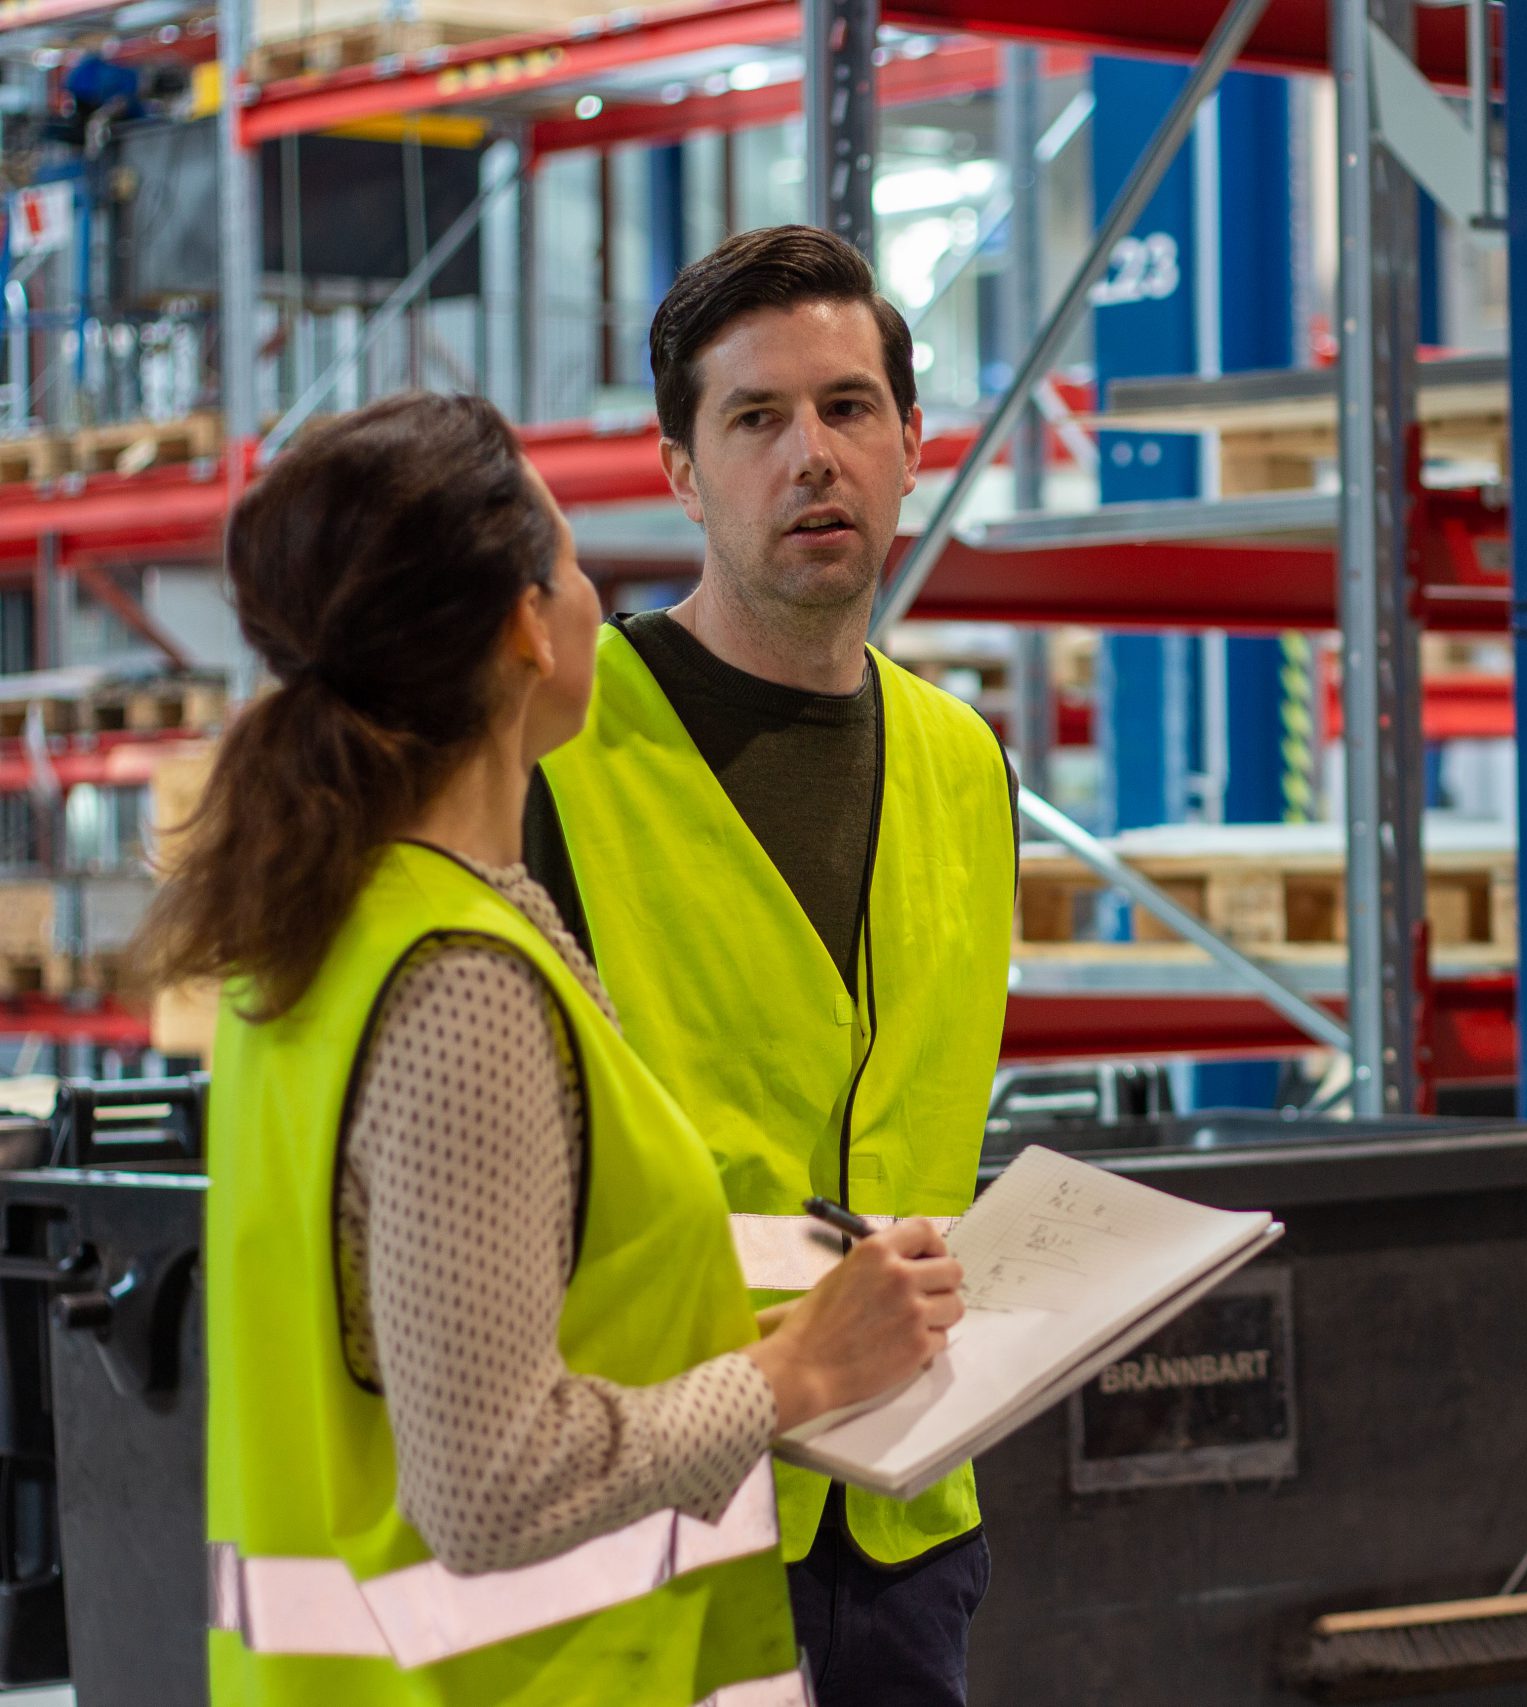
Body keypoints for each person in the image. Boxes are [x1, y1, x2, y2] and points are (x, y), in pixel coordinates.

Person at [146, 393, 966, 1707]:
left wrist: (761, 1330)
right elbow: (490, 1483)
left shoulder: (323, 932)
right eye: (578, 564)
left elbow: (451, 1341)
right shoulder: (458, 984)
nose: (596, 601)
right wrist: (795, 1373)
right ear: (529, 624)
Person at [523, 225, 1015, 1706]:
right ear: (680, 471)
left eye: (849, 409)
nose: (814, 456)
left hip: (906, 1516)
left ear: (913, 443)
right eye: (756, 420)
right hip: (660, 1505)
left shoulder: (965, 764)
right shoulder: (558, 750)